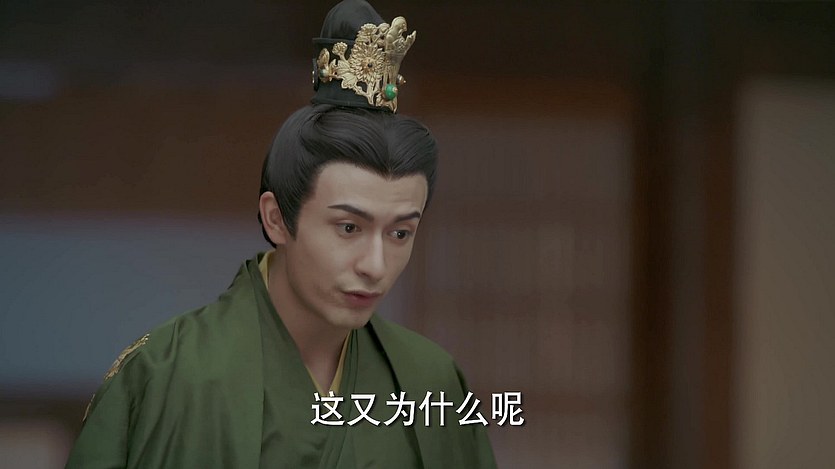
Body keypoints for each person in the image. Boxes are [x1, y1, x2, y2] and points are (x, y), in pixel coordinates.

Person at [65, 1, 497, 468]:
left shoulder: (431, 382)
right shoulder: (163, 375)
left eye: (399, 233)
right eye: (349, 227)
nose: (375, 266)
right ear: (276, 219)